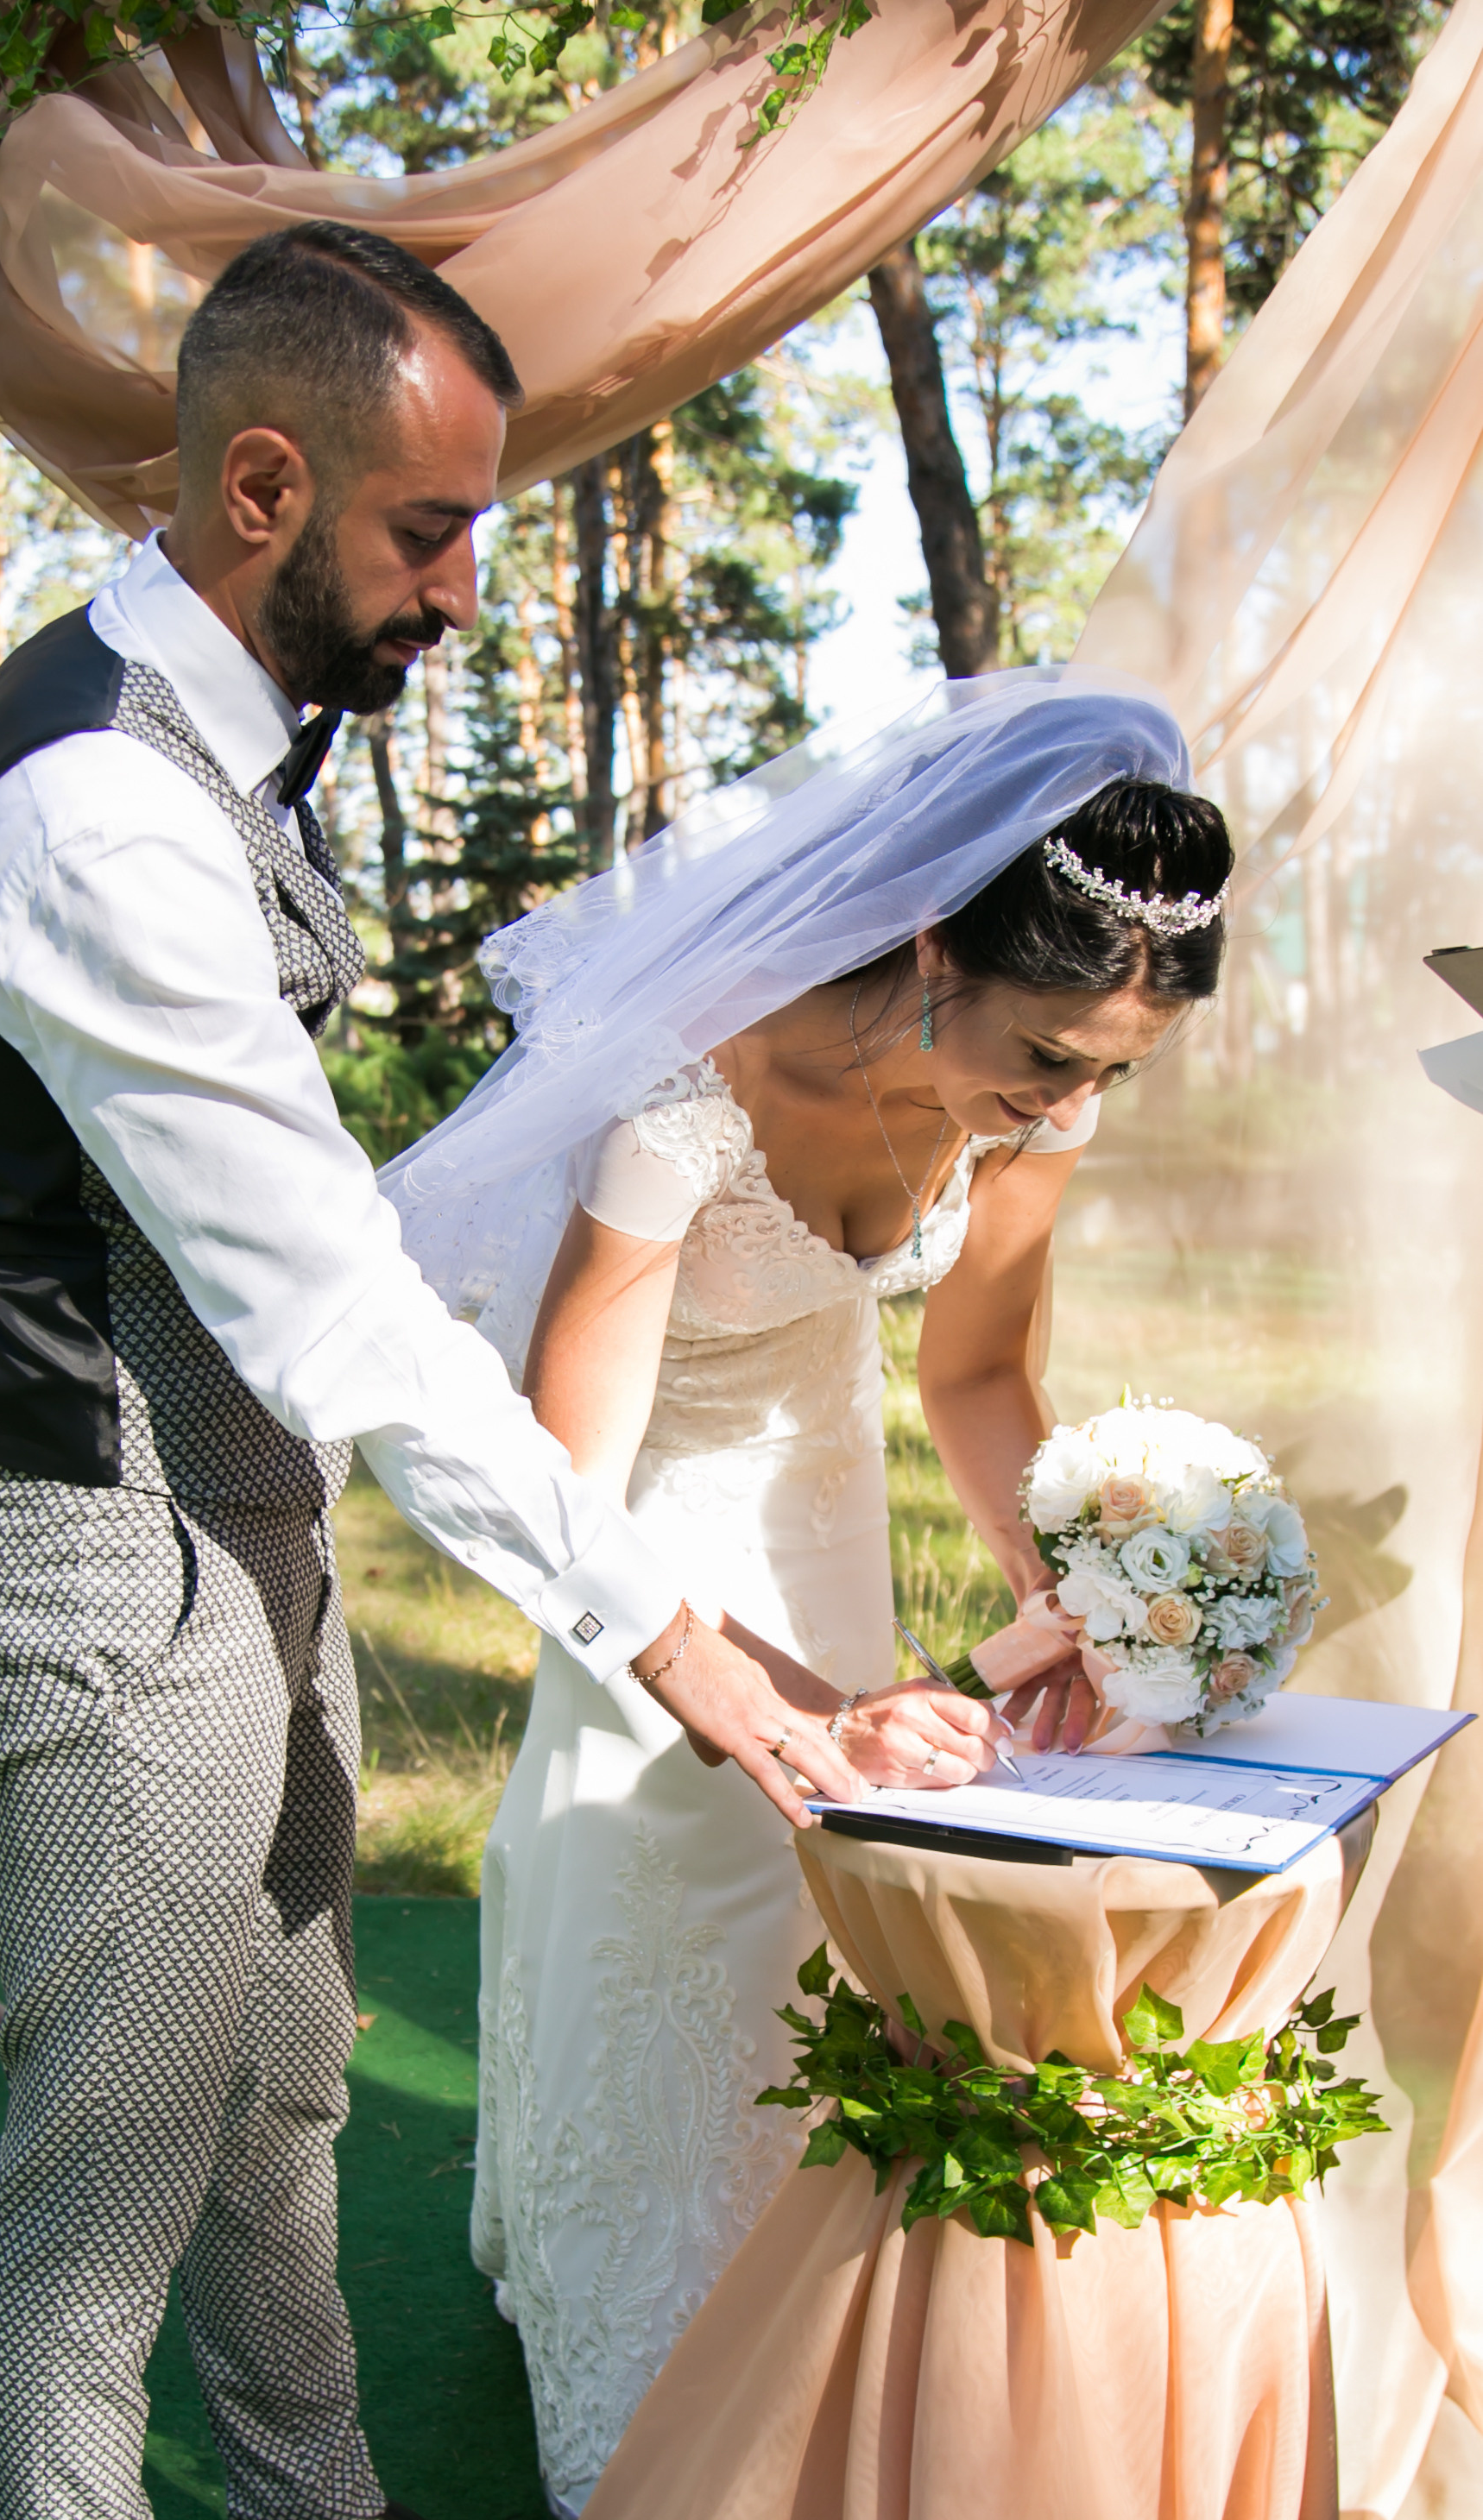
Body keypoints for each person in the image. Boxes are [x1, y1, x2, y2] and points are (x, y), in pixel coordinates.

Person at [0, 223, 943, 2520]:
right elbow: (332, 1301)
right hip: (98, 1530)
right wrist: (672, 1636)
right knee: (115, 2159)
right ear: (262, 485)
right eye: (430, 529)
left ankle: (316, 2496)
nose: (464, 587)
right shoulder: (97, 810)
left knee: (286, 2084)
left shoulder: (221, 746)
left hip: (241, 1519)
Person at [382, 678, 1233, 2516]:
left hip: (829, 1541)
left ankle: (849, 2357)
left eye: (1107, 1069)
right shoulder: (685, 1080)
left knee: (843, 1965)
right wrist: (778, 1699)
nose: (1066, 1100)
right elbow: (562, 1481)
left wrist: (1077, 1586)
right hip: (651, 1578)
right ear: (929, 942)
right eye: (1045, 1053)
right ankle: (659, 2390)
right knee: (673, 1936)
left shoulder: (1029, 1103)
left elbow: (979, 1378)